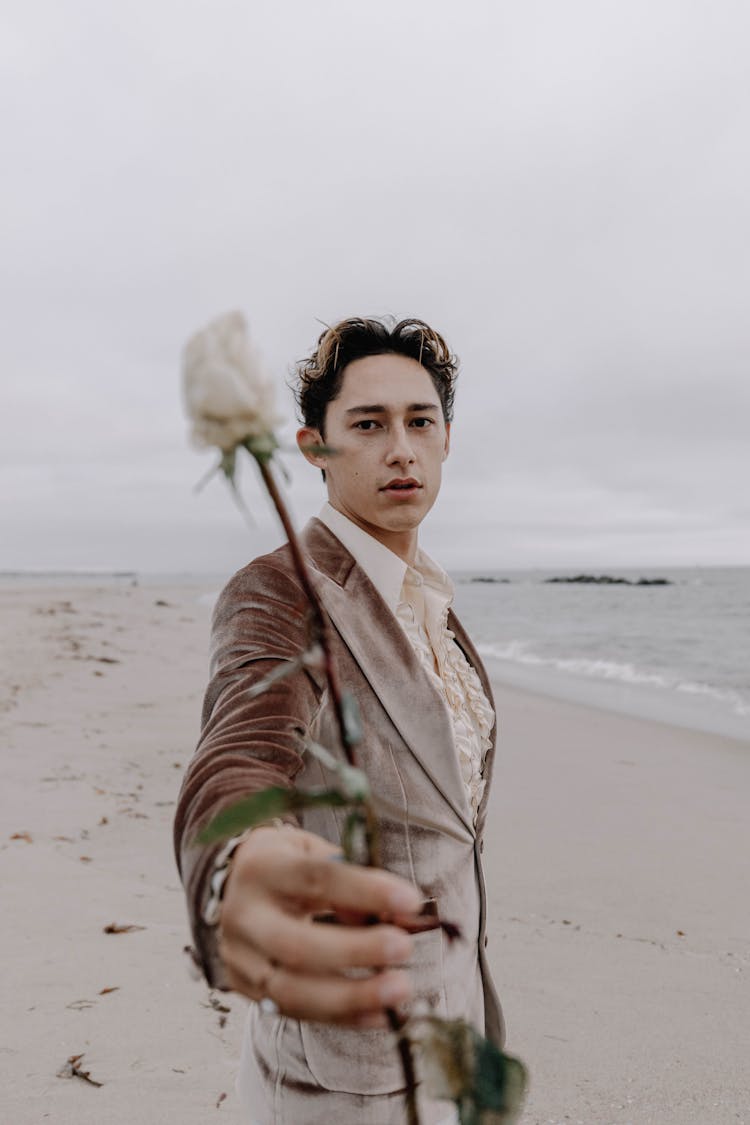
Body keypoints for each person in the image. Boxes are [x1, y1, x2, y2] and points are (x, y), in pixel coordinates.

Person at [174, 316, 504, 1124]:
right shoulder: (279, 593)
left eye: (420, 421)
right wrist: (229, 871)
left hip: (455, 1023)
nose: (401, 449)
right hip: (341, 1073)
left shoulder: (436, 604)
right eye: (367, 424)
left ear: (447, 438)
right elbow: (239, 751)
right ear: (312, 446)